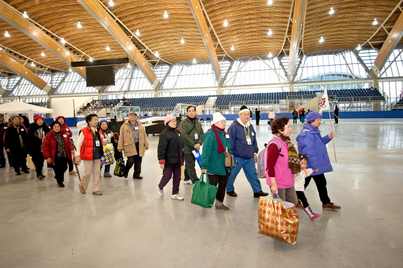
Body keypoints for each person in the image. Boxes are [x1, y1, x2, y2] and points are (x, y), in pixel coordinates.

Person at [296, 111, 341, 211]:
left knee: (318, 183)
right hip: (312, 165)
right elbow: (309, 152)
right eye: (318, 120)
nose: (319, 122)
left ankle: (325, 202)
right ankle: (295, 199)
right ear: (311, 121)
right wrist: (315, 166)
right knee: (303, 183)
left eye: (320, 120)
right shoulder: (307, 134)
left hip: (314, 164)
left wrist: (328, 137)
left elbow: (319, 144)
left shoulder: (314, 131)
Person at [226, 105, 268, 198]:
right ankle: (229, 189)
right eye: (244, 114)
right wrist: (231, 155)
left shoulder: (250, 126)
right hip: (237, 156)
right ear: (240, 115)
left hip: (249, 157)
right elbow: (230, 142)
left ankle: (257, 191)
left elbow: (254, 141)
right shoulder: (234, 127)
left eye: (248, 114)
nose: (246, 116)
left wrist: (255, 152)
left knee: (253, 175)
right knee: (232, 175)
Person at [200, 112, 232, 210]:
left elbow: (228, 148)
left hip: (224, 166)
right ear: (216, 123)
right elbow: (206, 152)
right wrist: (204, 166)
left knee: (222, 186)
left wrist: (230, 159)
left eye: (224, 121)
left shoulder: (225, 134)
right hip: (213, 166)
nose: (223, 123)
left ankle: (219, 203)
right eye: (221, 121)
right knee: (211, 186)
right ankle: (204, 202)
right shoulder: (210, 135)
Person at [265, 117, 299, 207]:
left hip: (288, 180)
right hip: (278, 181)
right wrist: (273, 184)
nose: (290, 129)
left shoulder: (287, 142)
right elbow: (270, 166)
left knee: (293, 203)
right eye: (288, 127)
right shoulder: (275, 144)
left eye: (290, 127)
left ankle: (285, 220)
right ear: (280, 129)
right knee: (280, 208)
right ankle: (279, 221)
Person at [157, 115, 185, 200]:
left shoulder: (178, 132)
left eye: (174, 121)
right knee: (167, 176)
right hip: (168, 160)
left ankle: (175, 193)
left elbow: (181, 146)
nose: (174, 123)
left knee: (177, 177)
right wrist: (161, 160)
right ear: (167, 123)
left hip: (177, 159)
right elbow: (161, 148)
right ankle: (160, 186)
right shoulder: (164, 134)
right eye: (171, 121)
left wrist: (182, 157)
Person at [76, 114, 104, 196]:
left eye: (97, 119)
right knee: (88, 172)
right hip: (87, 154)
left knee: (97, 172)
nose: (96, 121)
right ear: (89, 121)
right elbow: (78, 144)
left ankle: (96, 189)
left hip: (97, 153)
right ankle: (82, 185)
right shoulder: (83, 131)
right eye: (94, 120)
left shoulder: (98, 130)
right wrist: (78, 155)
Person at [42, 121, 75, 187]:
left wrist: (71, 149)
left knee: (65, 167)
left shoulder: (64, 134)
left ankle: (58, 176)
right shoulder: (48, 136)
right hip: (55, 156)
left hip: (64, 154)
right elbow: (45, 147)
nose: (57, 128)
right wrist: (47, 156)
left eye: (58, 127)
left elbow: (68, 143)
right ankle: (60, 181)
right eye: (55, 127)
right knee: (57, 169)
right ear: (52, 128)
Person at [118, 112, 149, 179]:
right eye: (131, 116)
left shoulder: (140, 125)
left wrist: (146, 145)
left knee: (138, 161)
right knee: (130, 160)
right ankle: (126, 170)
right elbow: (121, 137)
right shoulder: (124, 126)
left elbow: (144, 135)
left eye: (134, 116)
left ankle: (136, 174)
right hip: (129, 146)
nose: (133, 117)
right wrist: (120, 146)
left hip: (139, 145)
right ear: (128, 117)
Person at [179, 106, 204, 185]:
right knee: (191, 164)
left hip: (196, 148)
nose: (191, 112)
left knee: (190, 163)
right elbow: (184, 136)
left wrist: (199, 143)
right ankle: (195, 180)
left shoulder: (197, 122)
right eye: (189, 111)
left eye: (193, 111)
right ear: (187, 113)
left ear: (195, 112)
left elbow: (202, 134)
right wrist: (193, 144)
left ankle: (187, 178)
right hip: (187, 148)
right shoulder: (183, 123)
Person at [294, 154, 320, 220]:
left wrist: (314, 170)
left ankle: (311, 215)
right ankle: (310, 214)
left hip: (300, 190)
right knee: (302, 201)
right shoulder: (295, 171)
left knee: (302, 201)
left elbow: (309, 171)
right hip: (295, 189)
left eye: (305, 164)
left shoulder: (304, 171)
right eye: (301, 163)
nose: (303, 165)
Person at [27, 115, 50, 179]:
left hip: (43, 147)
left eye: (41, 120)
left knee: (41, 160)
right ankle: (39, 172)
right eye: (39, 120)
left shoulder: (45, 128)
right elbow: (28, 138)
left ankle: (39, 171)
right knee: (37, 160)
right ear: (36, 121)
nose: (40, 121)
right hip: (35, 147)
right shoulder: (31, 128)